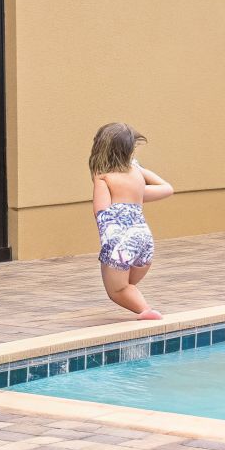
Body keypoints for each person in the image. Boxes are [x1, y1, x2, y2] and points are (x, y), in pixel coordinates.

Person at [89, 122, 173, 320]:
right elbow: (167, 188)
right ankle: (145, 310)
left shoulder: (103, 178)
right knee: (126, 286)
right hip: (143, 240)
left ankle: (146, 311)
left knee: (116, 290)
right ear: (130, 150)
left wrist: (109, 248)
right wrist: (137, 180)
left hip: (121, 242)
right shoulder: (137, 174)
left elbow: (102, 213)